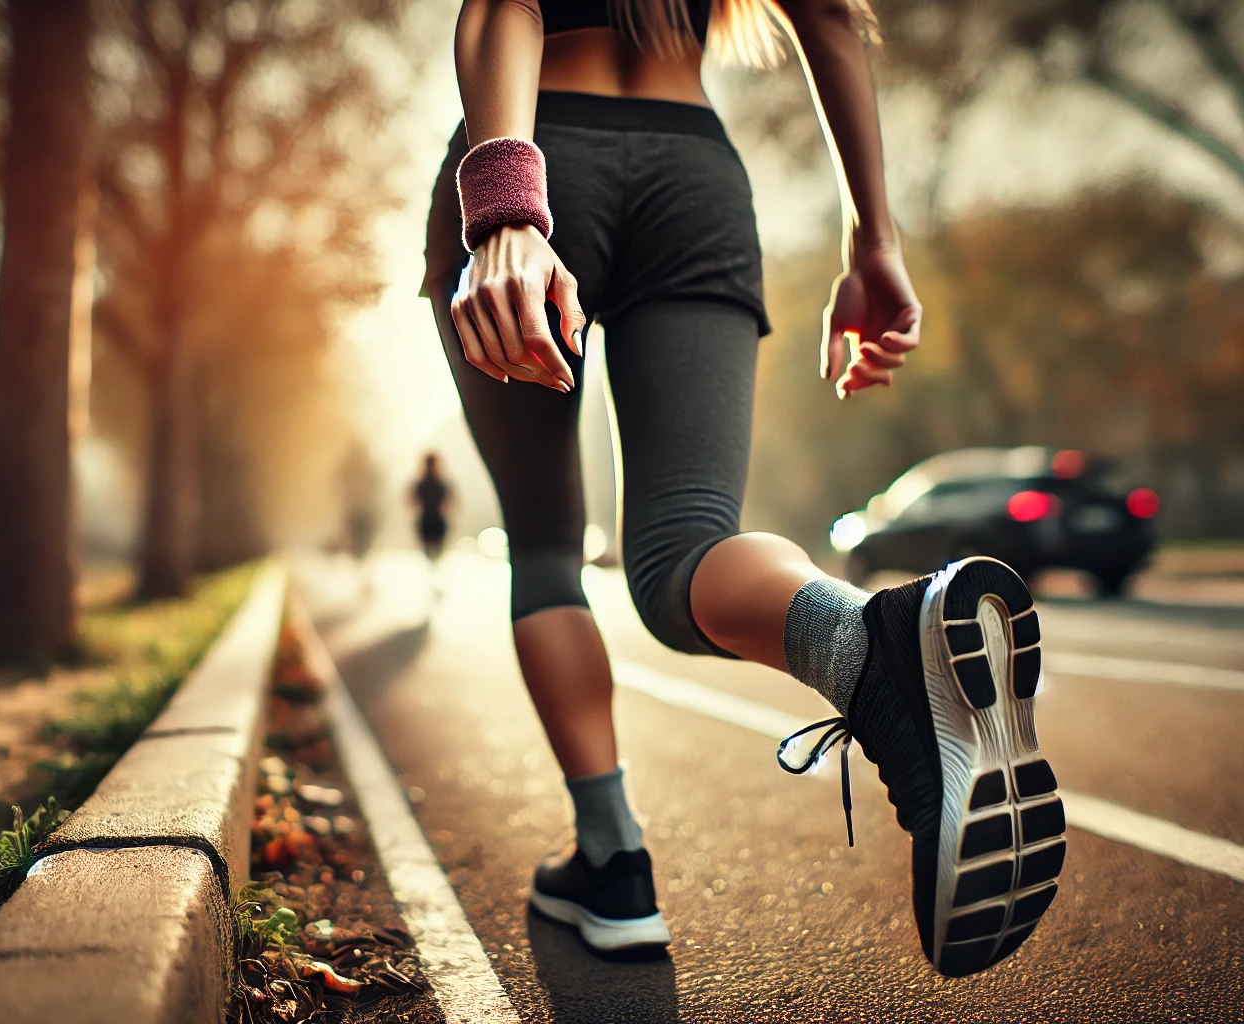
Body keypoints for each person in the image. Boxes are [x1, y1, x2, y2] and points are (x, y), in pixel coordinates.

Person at [423, 0, 1062, 977]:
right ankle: (868, 641)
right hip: (694, 171)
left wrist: (505, 207)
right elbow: (833, 22)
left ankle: (612, 858)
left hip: (542, 139)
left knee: (547, 541)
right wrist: (873, 241)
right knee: (683, 549)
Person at [412, 452, 453, 563]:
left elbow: (413, 501)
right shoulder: (440, 483)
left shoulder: (424, 484)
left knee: (432, 553)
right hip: (432, 520)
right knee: (433, 553)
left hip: (430, 520)